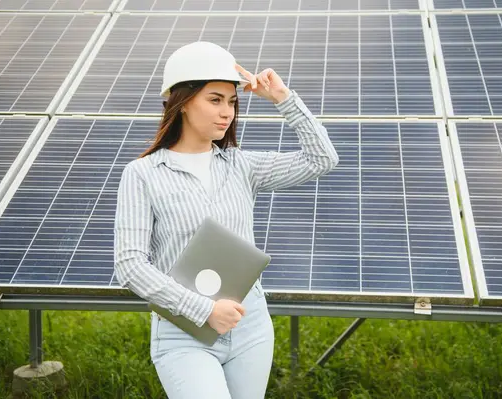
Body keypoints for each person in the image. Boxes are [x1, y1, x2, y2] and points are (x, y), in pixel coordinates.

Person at [113, 41, 339, 399]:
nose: (227, 112)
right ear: (183, 102)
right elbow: (130, 265)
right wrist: (204, 310)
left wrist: (283, 98)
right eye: (215, 99)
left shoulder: (242, 166)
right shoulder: (143, 174)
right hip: (183, 332)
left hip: (250, 324)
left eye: (232, 102)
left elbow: (322, 159)